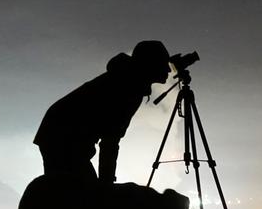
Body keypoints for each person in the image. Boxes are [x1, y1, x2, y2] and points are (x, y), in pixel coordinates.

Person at [33, 40, 172, 183]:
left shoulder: (127, 80)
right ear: (150, 64)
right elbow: (110, 140)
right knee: (79, 193)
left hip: (58, 132)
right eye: (164, 64)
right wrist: (107, 182)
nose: (168, 70)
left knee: (75, 193)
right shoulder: (127, 88)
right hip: (61, 135)